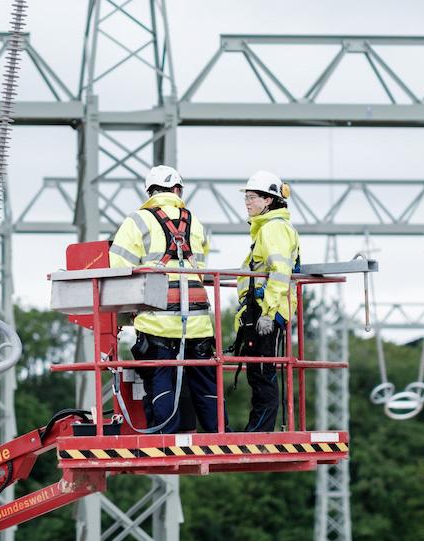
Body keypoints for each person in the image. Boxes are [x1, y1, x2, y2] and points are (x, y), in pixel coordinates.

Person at [107, 165, 220, 433]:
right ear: (178, 190)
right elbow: (201, 270)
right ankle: (219, 433)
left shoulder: (137, 221)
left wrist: (128, 314)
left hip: (157, 319)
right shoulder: (196, 223)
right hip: (198, 320)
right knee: (204, 381)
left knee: (160, 378)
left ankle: (166, 437)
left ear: (150, 192)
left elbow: (118, 271)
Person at [236, 170, 301, 432]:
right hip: (262, 310)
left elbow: (279, 271)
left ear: (268, 200)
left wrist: (268, 312)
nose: (247, 203)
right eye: (247, 198)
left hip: (267, 312)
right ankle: (258, 428)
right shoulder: (269, 228)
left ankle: (259, 431)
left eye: (252, 197)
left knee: (262, 373)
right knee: (259, 372)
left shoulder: (273, 228)